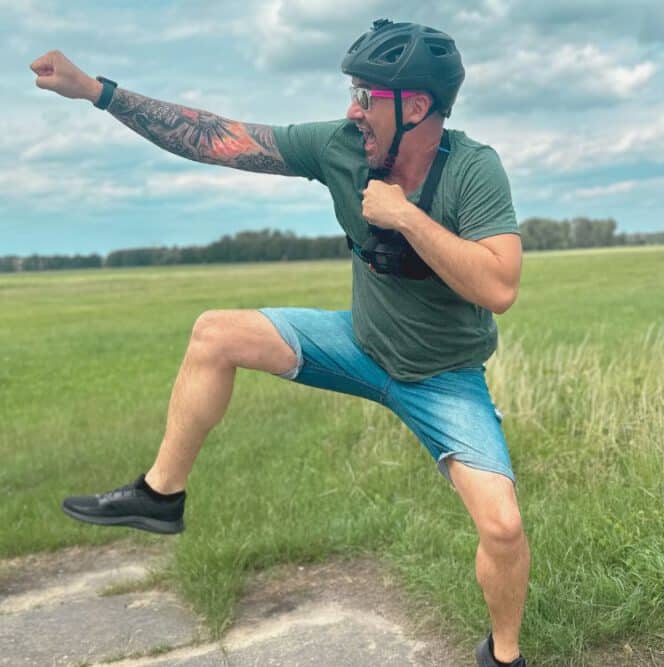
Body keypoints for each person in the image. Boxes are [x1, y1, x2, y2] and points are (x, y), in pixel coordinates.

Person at [30, 19, 530, 667]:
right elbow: (218, 138)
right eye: (352, 92)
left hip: (442, 376)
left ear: (415, 107)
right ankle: (160, 495)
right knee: (216, 333)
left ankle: (504, 655)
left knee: (503, 526)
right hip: (358, 342)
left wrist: (405, 215)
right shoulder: (340, 147)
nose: (352, 110)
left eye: (366, 96)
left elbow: (499, 286)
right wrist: (99, 92)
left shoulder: (473, 170)